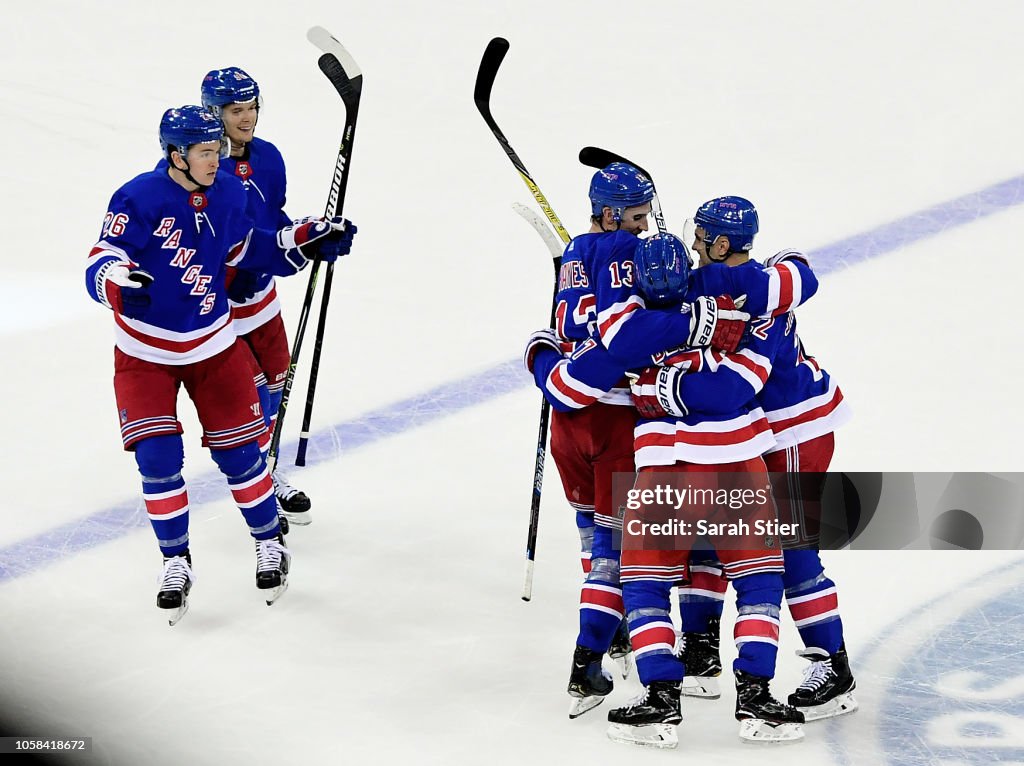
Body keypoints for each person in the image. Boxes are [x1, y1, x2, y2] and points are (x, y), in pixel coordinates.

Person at [85, 105, 355, 624]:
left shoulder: (228, 191)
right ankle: (175, 561)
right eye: (208, 151)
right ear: (176, 155)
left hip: (213, 346)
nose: (219, 158)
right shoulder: (137, 197)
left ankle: (267, 540)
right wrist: (117, 284)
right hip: (145, 356)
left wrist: (307, 240)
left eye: (218, 149)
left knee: (241, 457)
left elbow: (248, 250)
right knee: (158, 462)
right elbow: (101, 256)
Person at [522, 163, 752, 719]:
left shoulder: (577, 252)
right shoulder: (628, 253)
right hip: (616, 422)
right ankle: (589, 660)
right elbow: (627, 337)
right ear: (611, 214)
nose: (647, 226)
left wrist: (543, 357)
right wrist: (697, 320)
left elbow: (565, 337)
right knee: (614, 550)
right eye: (638, 216)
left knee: (591, 536)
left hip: (569, 422)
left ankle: (618, 630)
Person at [603, 230, 807, 747]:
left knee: (645, 587)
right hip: (735, 463)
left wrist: (653, 388)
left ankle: (661, 702)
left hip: (664, 471)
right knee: (760, 580)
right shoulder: (740, 309)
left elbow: (598, 352)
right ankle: (757, 695)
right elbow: (731, 386)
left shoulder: (630, 323)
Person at [673, 197, 857, 721]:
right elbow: (799, 269)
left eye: (701, 241)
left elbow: (735, 384)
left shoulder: (747, 300)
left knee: (793, 551)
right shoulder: (767, 278)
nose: (694, 250)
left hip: (796, 429)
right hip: (752, 439)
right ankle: (702, 648)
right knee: (709, 531)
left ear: (722, 243)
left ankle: (835, 669)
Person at [199, 67, 312, 527]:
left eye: (252, 107)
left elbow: (272, 212)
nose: (247, 119)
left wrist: (304, 237)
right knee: (247, 397)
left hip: (262, 299)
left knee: (275, 388)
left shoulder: (268, 157)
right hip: (219, 308)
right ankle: (259, 485)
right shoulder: (203, 167)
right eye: (235, 110)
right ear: (214, 113)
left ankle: (269, 470)